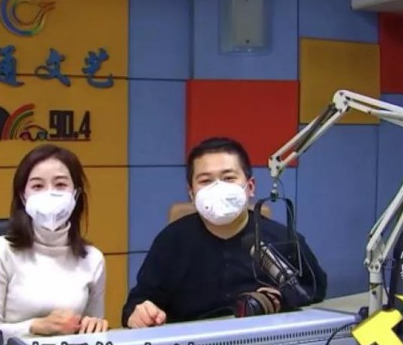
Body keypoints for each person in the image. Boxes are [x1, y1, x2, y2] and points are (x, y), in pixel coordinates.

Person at [122, 137, 328, 328]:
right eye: (205, 180)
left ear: (250, 187)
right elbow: (136, 304)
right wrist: (139, 314)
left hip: (263, 344)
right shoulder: (171, 242)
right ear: (192, 193)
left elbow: (314, 290)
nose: (218, 187)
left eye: (228, 178)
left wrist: (278, 298)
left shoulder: (282, 239)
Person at [0, 144, 108, 345]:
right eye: (38, 186)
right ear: (23, 196)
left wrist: (93, 326)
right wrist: (36, 326)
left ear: (76, 194)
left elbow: (93, 336)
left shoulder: (93, 259)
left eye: (60, 184)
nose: (50, 193)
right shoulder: (0, 252)